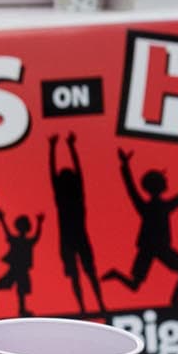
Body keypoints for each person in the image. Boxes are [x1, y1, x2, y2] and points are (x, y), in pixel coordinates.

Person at [101, 149, 178, 307]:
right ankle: (116, 274)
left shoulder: (161, 206)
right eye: (164, 180)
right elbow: (132, 190)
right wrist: (125, 165)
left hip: (160, 247)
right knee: (137, 285)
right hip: (149, 247)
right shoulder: (149, 207)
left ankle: (175, 299)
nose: (166, 182)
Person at [47, 132, 108, 314]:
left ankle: (100, 304)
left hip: (77, 238)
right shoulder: (65, 197)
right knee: (77, 275)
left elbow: (70, 172)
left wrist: (56, 147)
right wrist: (66, 146)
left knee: (88, 273)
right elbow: (57, 173)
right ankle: (84, 308)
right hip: (69, 240)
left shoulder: (75, 196)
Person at [0, 208, 45, 316]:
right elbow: (8, 233)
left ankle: (22, 309)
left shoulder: (28, 241)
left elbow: (36, 237)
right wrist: (2, 220)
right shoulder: (17, 240)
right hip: (16, 268)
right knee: (10, 284)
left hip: (23, 269)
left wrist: (39, 223)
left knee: (21, 290)